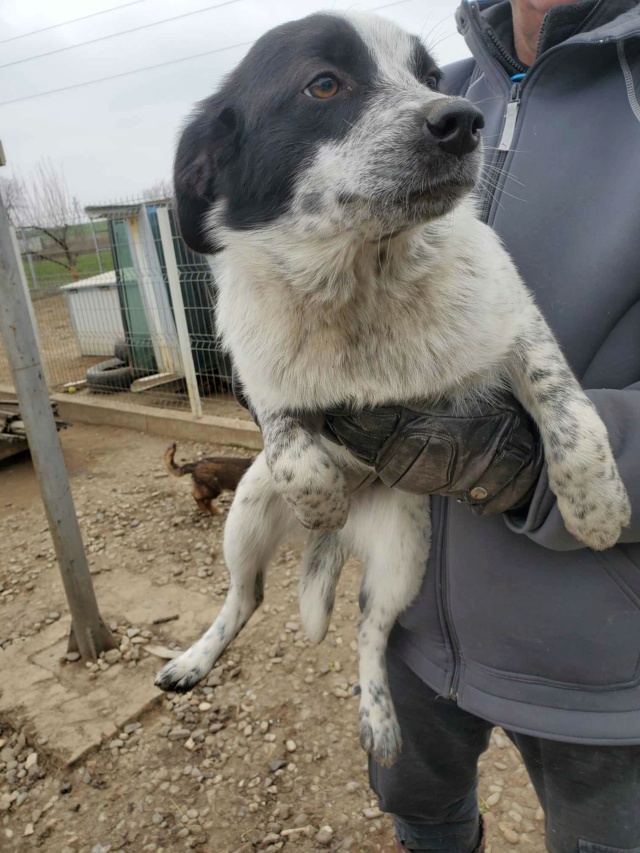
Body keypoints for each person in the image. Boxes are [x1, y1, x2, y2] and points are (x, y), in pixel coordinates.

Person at [233, 0, 640, 849]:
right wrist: (280, 383)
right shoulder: (431, 89)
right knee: (423, 819)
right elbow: (274, 260)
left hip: (601, 660)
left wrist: (523, 463)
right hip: (410, 628)